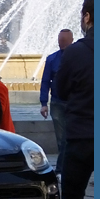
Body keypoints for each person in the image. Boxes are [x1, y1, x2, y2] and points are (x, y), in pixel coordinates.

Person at [48, 0, 93, 199]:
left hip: (81, 137)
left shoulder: (75, 53)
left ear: (87, 17)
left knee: (73, 198)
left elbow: (60, 92)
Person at [39, 28, 74, 174]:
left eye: (65, 40)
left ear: (71, 40)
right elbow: (45, 81)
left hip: (74, 103)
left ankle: (63, 169)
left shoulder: (77, 57)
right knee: (62, 139)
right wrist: (43, 103)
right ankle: (64, 169)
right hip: (57, 102)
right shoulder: (52, 59)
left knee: (69, 138)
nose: (62, 43)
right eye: (60, 41)